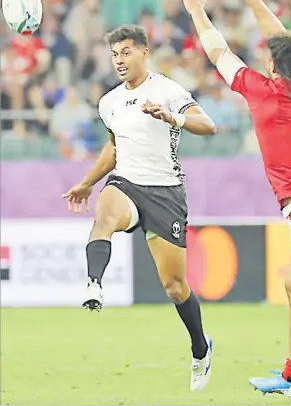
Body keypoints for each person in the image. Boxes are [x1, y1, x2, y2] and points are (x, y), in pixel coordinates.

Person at [173, 0, 291, 402]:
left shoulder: (263, 93)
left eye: (268, 58)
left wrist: (197, 11)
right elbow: (286, 42)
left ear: (274, 67)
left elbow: (217, 50)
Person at [61, 25, 216, 391]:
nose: (119, 60)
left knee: (175, 286)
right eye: (115, 54)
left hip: (165, 192)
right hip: (127, 182)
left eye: (126, 52)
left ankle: (200, 349)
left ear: (145, 52)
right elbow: (114, 149)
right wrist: (86, 182)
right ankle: (94, 284)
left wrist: (171, 117)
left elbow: (208, 126)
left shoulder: (168, 90)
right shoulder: (109, 102)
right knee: (105, 214)